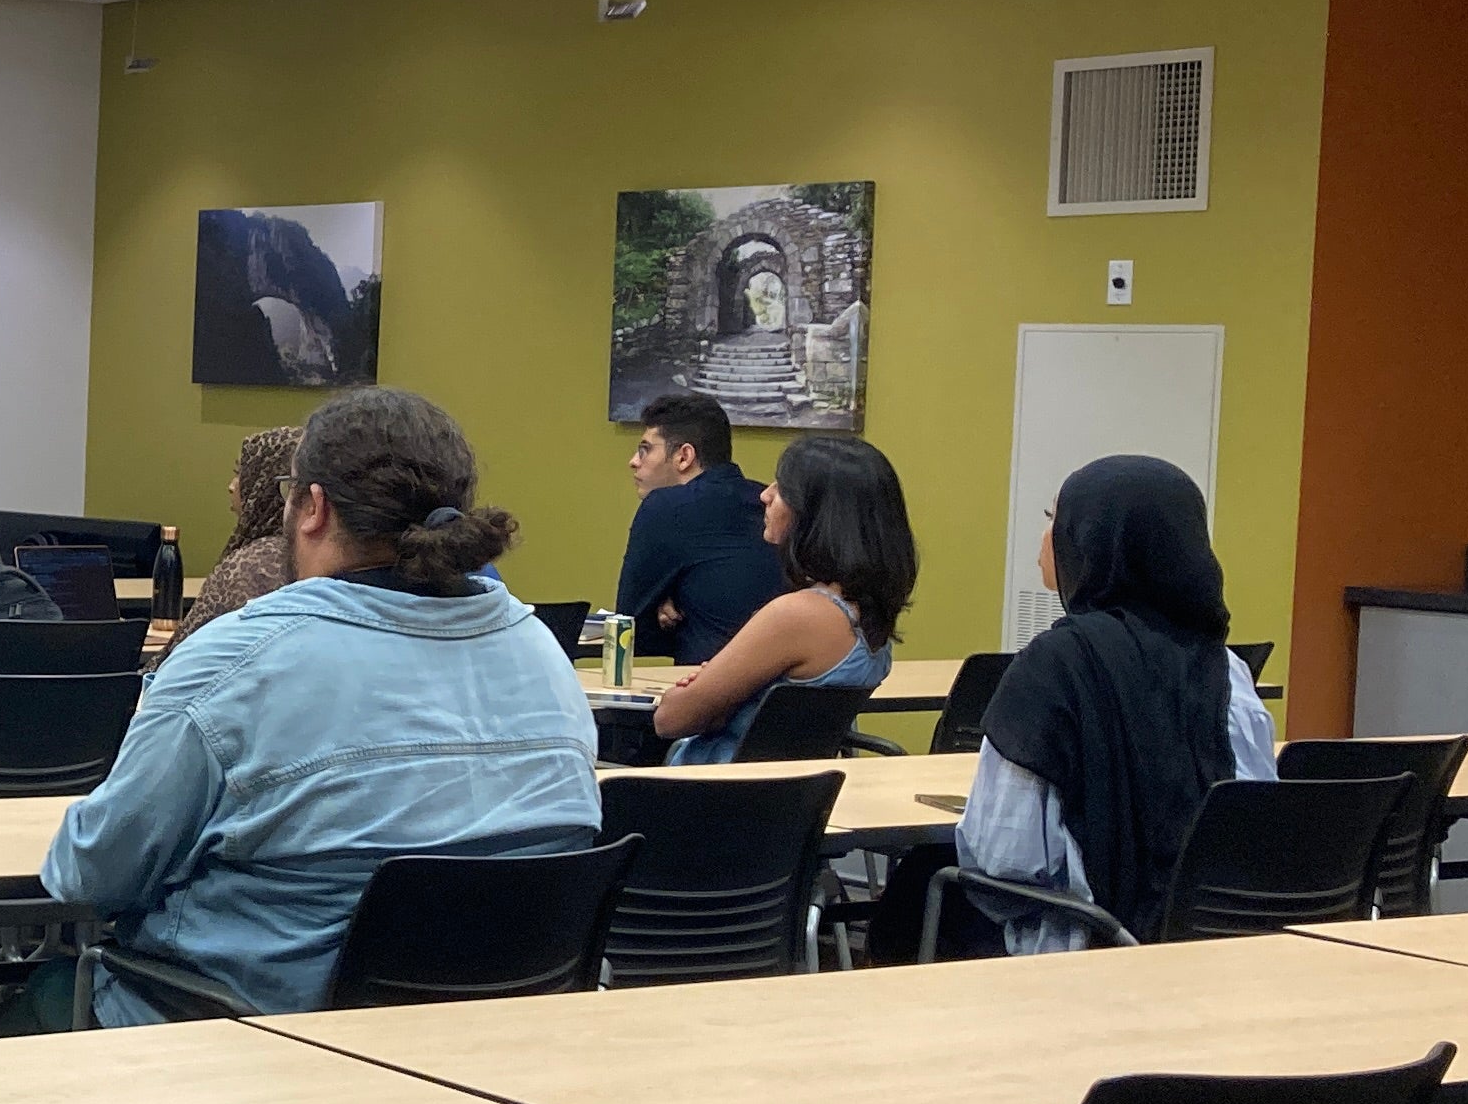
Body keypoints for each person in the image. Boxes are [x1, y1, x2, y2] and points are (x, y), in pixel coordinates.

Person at [46, 386, 599, 1021]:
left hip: (242, 1055)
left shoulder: (236, 660)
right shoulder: (541, 652)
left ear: (312, 506)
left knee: (17, 1021)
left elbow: (94, 875)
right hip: (490, 1059)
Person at [958, 454, 1274, 952]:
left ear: (1089, 542)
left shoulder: (1052, 667)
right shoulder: (1228, 671)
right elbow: (1255, 825)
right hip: (1217, 958)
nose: (1045, 540)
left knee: (917, 898)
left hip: (1079, 961)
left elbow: (1003, 859)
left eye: (1052, 522)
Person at [648, 435, 915, 763]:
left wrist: (710, 691)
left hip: (717, 796)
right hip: (787, 798)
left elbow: (671, 719)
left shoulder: (797, 616)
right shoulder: (870, 614)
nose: (765, 494)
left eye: (783, 487)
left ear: (819, 513)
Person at [613, 392, 786, 664]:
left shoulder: (665, 506)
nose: (634, 460)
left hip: (710, 689)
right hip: (788, 685)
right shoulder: (766, 502)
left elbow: (629, 630)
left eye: (646, 449)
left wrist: (674, 613)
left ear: (684, 456)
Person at [168, 422, 304, 645]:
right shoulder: (324, 561)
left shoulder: (248, 568)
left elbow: (177, 657)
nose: (232, 486)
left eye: (241, 474)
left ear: (265, 484)